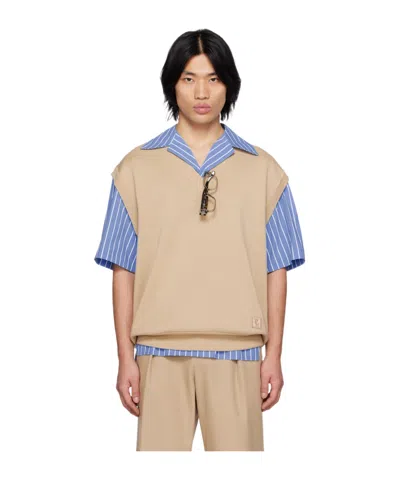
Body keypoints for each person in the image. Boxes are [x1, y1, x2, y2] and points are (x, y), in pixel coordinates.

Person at [94, 28, 305, 451]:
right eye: (189, 78)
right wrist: (124, 358)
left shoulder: (265, 171)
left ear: (229, 85)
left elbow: (277, 270)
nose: (202, 92)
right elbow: (122, 270)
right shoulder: (134, 169)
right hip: (158, 351)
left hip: (239, 351)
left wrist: (275, 356)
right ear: (172, 84)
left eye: (213, 78)